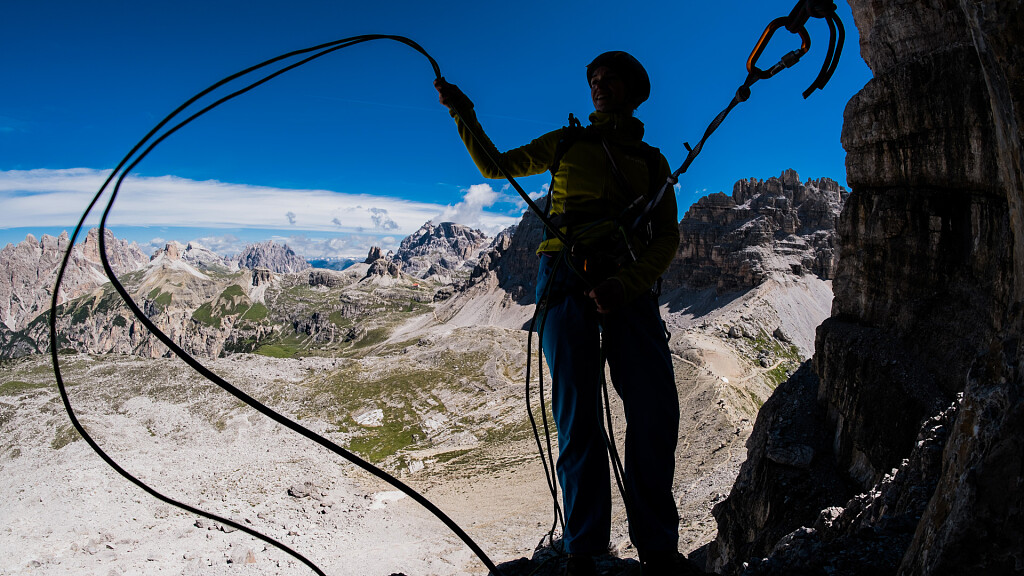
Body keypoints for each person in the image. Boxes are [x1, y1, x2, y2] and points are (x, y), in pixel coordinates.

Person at [435, 51, 680, 576]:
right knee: (578, 414)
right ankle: (585, 548)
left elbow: (668, 240)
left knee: (655, 408)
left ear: (633, 90)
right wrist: (464, 113)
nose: (597, 85)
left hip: (627, 282)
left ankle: (658, 549)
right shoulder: (567, 141)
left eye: (608, 78)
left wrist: (626, 284)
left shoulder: (654, 163)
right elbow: (495, 167)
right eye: (593, 78)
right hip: (565, 277)